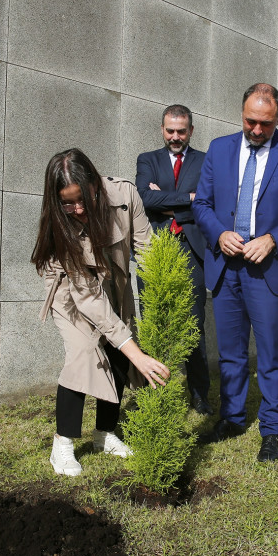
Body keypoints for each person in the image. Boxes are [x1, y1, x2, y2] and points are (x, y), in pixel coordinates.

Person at [192, 83, 278, 462]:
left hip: (269, 271)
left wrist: (273, 239)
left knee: (270, 353)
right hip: (226, 266)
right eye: (251, 121)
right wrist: (219, 233)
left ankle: (272, 428)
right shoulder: (219, 148)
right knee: (231, 353)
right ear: (241, 114)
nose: (257, 130)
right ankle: (231, 417)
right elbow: (202, 204)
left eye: (266, 123)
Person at [32, 148, 170, 477]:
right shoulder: (59, 225)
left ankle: (104, 434)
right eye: (68, 203)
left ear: (95, 183)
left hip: (114, 279)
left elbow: (147, 248)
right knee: (84, 352)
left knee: (119, 352)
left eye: (82, 199)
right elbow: (89, 299)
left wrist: (162, 292)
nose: (77, 209)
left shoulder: (125, 194)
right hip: (72, 288)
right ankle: (62, 444)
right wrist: (138, 353)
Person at [135, 104, 213, 415]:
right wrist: (189, 199)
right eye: (170, 130)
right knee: (154, 323)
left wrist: (166, 201)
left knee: (194, 325)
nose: (175, 136)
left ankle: (199, 394)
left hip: (192, 252)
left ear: (191, 131)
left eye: (181, 131)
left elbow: (210, 201)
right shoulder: (148, 160)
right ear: (162, 129)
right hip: (155, 249)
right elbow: (145, 198)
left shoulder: (206, 162)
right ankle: (155, 394)